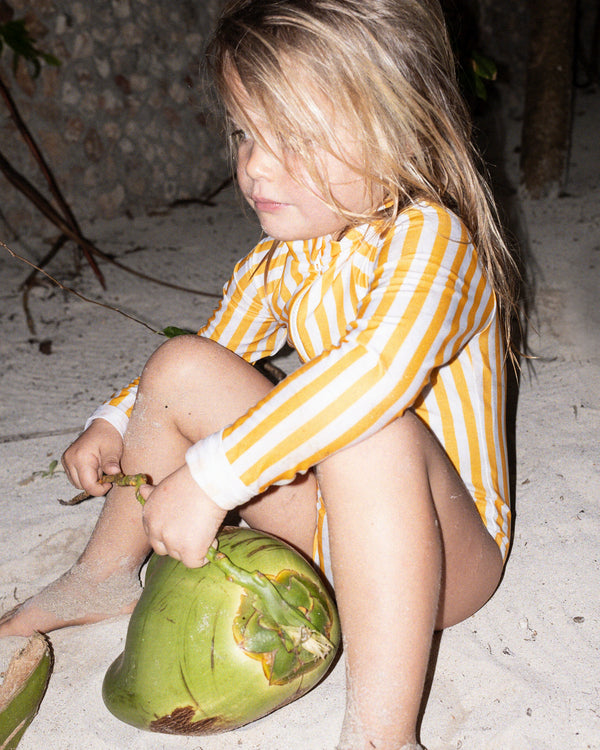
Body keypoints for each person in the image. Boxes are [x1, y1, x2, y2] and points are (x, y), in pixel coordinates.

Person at [0, 1, 522, 748]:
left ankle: (381, 732)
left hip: (442, 563)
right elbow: (211, 348)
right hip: (329, 531)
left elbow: (369, 376)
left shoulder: (435, 243)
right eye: (245, 131)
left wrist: (217, 478)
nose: (254, 165)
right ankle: (105, 571)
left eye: (297, 139)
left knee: (370, 427)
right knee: (181, 363)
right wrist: (116, 419)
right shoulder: (282, 261)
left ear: (401, 130)